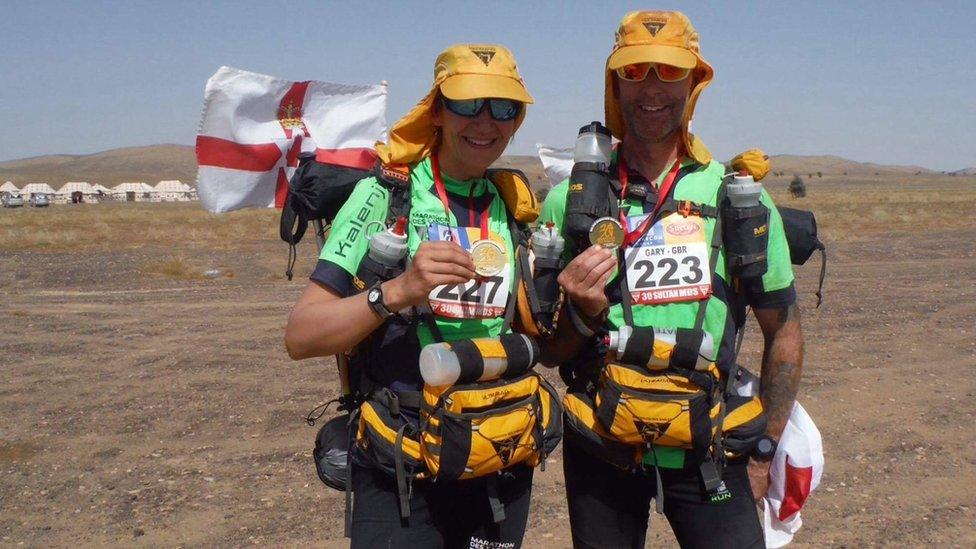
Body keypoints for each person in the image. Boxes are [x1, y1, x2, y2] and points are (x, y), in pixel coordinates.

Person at [538, 11, 804, 548]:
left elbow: (785, 332)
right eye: (635, 73)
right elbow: (550, 351)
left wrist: (765, 453)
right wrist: (582, 312)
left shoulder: (739, 199)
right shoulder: (570, 201)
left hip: (713, 441)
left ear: (695, 82)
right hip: (600, 438)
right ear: (614, 83)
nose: (652, 89)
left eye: (669, 71)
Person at [285, 44, 547, 548]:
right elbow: (302, 335)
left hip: (498, 455)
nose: (486, 123)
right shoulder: (384, 197)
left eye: (504, 107)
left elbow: (538, 340)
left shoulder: (513, 208)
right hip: (401, 462)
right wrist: (400, 290)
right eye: (468, 104)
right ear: (438, 110)